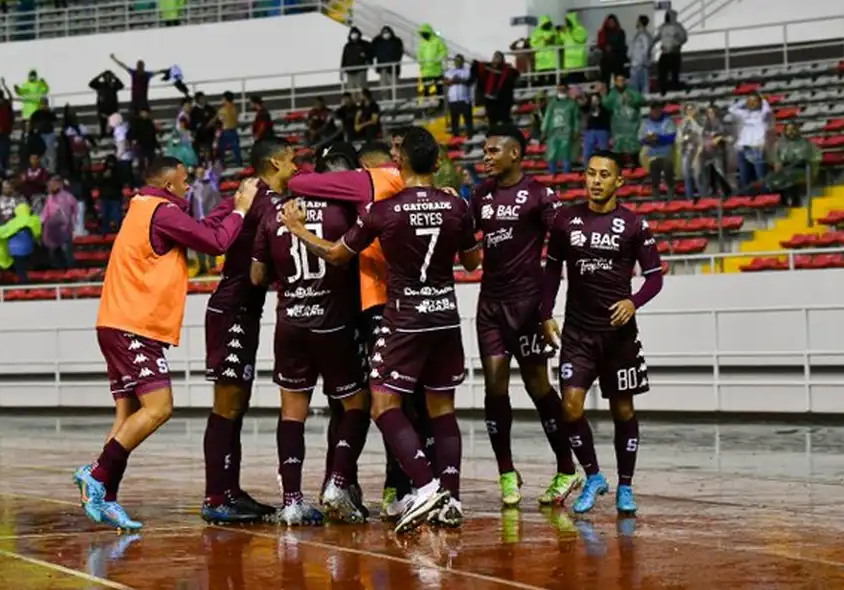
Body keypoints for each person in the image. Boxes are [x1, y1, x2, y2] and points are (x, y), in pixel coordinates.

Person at [280, 127, 482, 533]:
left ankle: (423, 486)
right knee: (440, 410)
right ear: (438, 162)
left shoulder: (383, 209)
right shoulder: (456, 203)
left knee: (383, 405)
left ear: (400, 161)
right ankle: (449, 497)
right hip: (445, 316)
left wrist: (299, 230)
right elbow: (474, 261)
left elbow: (338, 254)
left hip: (401, 317)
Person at [75, 158, 259, 531]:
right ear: (169, 186)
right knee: (159, 408)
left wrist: (233, 202)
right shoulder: (162, 211)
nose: (189, 186)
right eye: (185, 181)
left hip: (116, 322)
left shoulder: (146, 208)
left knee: (128, 417)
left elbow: (201, 227)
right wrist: (240, 209)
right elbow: (215, 240)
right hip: (133, 325)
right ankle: (96, 473)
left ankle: (106, 495)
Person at [284, 140, 409, 519]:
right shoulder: (358, 200)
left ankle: (338, 483)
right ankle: (379, 485)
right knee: (384, 400)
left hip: (332, 316)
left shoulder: (352, 196)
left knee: (346, 405)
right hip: (362, 311)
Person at [249, 143, 369, 526]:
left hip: (291, 325)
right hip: (334, 324)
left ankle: (291, 501)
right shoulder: (343, 211)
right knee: (356, 405)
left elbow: (256, 276)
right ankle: (337, 483)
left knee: (292, 413)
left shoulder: (274, 211)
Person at [540, 150, 664, 516]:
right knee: (570, 407)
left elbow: (654, 277)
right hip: (578, 334)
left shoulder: (633, 224)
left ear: (618, 182)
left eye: (604, 175)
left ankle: (626, 486)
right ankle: (593, 476)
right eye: (590, 173)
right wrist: (545, 314)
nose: (596, 181)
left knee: (622, 409)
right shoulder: (565, 221)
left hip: (618, 336)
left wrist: (633, 301)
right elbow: (551, 272)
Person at [472, 123, 582, 508]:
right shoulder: (479, 195)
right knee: (495, 385)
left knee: (538, 386)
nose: (485, 157)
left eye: (492, 151)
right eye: (484, 151)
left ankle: (566, 468)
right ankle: (506, 471)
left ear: (514, 154)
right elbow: (468, 247)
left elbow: (565, 236)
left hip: (528, 306)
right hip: (490, 306)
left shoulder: (539, 194)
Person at [200, 138, 293, 524]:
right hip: (232, 309)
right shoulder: (260, 197)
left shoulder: (251, 194)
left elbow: (214, 221)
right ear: (274, 162)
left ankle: (229, 489)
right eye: (291, 160)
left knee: (238, 405)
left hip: (244, 310)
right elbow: (209, 228)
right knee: (228, 403)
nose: (296, 167)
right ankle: (216, 496)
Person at [728, 93, 771, 190]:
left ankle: (767, 196)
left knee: (761, 176)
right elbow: (731, 109)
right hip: (743, 148)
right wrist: (744, 101)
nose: (752, 103)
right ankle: (747, 198)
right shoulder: (744, 114)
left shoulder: (762, 114)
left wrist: (763, 100)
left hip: (757, 148)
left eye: (754, 101)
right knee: (744, 177)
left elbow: (768, 110)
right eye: (750, 101)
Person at [471, 51, 519, 130]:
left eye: (498, 57)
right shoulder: (488, 68)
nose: (496, 59)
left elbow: (515, 75)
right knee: (492, 120)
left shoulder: (507, 70)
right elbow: (478, 70)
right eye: (495, 57)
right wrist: (475, 64)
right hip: (490, 99)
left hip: (503, 100)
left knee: (504, 119)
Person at [603, 77, 644, 169]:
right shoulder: (613, 93)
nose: (620, 82)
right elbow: (607, 105)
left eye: (622, 80)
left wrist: (630, 100)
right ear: (615, 82)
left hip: (631, 125)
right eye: (618, 80)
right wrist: (603, 95)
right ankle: (620, 169)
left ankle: (638, 169)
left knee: (634, 147)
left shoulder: (632, 91)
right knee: (618, 147)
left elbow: (640, 100)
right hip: (618, 126)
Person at [640, 103, 677, 199]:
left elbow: (672, 137)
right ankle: (656, 200)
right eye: (653, 110)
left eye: (658, 110)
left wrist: (659, 138)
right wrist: (647, 140)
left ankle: (671, 198)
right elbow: (640, 139)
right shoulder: (646, 123)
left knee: (668, 174)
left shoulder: (668, 121)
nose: (656, 112)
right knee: (654, 178)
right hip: (652, 154)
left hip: (666, 153)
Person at [42, 176, 79, 269]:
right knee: (55, 252)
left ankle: (71, 271)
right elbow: (45, 213)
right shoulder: (49, 198)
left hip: (65, 229)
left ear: (59, 185)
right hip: (53, 230)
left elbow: (75, 211)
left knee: (66, 252)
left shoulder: (68, 197)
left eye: (53, 185)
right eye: (49, 185)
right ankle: (60, 272)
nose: (50, 187)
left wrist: (74, 227)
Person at [542, 84, 579, 174]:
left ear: (566, 89)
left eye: (563, 88)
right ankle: (552, 175)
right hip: (553, 133)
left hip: (566, 133)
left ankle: (565, 176)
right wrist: (544, 130)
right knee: (551, 155)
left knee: (566, 155)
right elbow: (547, 117)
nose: (561, 90)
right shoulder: (552, 103)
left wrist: (576, 130)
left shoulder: (572, 103)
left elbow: (576, 118)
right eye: (559, 88)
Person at [655, 10, 688, 95]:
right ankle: (663, 91)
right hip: (665, 53)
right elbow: (658, 37)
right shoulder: (662, 27)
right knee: (662, 73)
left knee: (674, 73)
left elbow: (684, 38)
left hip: (674, 52)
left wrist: (677, 42)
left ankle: (675, 91)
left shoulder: (677, 27)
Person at [444, 54, 474, 138]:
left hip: (465, 99)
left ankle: (470, 137)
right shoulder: (450, 71)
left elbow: (470, 82)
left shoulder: (467, 71)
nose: (458, 62)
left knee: (468, 121)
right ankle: (456, 139)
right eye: (456, 61)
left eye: (460, 61)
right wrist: (453, 80)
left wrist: (460, 80)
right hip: (453, 100)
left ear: (463, 62)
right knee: (454, 121)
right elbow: (446, 82)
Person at [416, 24, 448, 99]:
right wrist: (421, 62)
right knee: (426, 89)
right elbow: (419, 54)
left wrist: (438, 60)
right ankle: (427, 105)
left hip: (436, 70)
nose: (423, 35)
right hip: (426, 71)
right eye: (422, 33)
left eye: (424, 33)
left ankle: (440, 104)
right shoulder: (422, 42)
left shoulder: (437, 41)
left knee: (439, 88)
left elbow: (443, 51)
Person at [89, 70, 125, 138]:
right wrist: (99, 76)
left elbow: (121, 85)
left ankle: (113, 141)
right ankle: (103, 139)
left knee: (113, 128)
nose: (108, 78)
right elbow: (91, 84)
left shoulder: (113, 85)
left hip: (113, 111)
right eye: (106, 76)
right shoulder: (100, 85)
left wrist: (115, 77)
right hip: (102, 111)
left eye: (109, 77)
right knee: (103, 128)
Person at [581, 93, 611, 164]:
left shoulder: (605, 110)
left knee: (603, 152)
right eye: (593, 100)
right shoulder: (587, 109)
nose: (595, 102)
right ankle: (587, 169)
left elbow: (607, 122)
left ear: (600, 100)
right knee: (587, 152)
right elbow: (582, 108)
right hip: (590, 132)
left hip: (602, 131)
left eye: (596, 100)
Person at [597, 14, 627, 84]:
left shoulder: (620, 32)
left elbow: (622, 45)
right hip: (606, 60)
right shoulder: (603, 32)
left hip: (617, 60)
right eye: (609, 22)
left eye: (612, 22)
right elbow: (600, 43)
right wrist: (605, 47)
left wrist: (612, 48)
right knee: (605, 80)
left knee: (619, 80)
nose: (610, 24)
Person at [372, 26, 404, 92]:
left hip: (393, 68)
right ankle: (385, 100)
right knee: (383, 87)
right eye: (384, 32)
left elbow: (399, 53)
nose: (385, 34)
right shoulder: (378, 42)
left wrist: (395, 62)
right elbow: (373, 52)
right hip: (382, 68)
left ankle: (396, 101)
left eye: (387, 32)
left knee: (395, 87)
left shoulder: (396, 41)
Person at [341, 27, 373, 91]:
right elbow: (344, 58)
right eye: (352, 33)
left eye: (355, 33)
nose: (354, 35)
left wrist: (368, 59)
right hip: (350, 70)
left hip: (360, 70)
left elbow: (372, 52)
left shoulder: (364, 44)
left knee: (361, 88)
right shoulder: (347, 46)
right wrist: (342, 70)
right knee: (351, 89)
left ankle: (363, 100)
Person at [216, 92, 243, 167]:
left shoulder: (222, 110)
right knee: (236, 150)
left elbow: (220, 121)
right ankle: (239, 165)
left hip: (225, 131)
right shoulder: (236, 108)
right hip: (234, 130)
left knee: (221, 150)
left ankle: (222, 166)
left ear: (225, 99)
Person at [629, 15, 653, 96]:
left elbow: (646, 50)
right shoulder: (640, 34)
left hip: (639, 65)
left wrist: (643, 62)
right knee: (636, 87)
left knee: (641, 88)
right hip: (637, 64)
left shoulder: (644, 35)